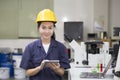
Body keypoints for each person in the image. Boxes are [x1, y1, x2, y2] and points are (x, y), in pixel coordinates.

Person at [20, 9, 71, 80]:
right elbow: (27, 72)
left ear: (53, 29)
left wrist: (56, 69)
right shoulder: (30, 48)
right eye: (43, 27)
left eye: (50, 28)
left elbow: (62, 72)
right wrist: (39, 68)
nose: (47, 31)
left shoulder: (61, 47)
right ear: (38, 28)